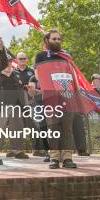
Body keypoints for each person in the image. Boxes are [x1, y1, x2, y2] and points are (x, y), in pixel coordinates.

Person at [31, 29, 77, 169]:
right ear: (47, 41)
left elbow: (73, 74)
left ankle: (68, 157)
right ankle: (55, 158)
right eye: (54, 39)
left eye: (59, 39)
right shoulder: (41, 56)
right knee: (53, 127)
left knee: (67, 127)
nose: (57, 41)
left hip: (67, 95)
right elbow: (38, 76)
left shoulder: (66, 56)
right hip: (50, 96)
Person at [14, 53, 46, 157]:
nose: (22, 60)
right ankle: (15, 150)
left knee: (33, 126)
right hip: (17, 103)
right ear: (17, 60)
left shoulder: (32, 71)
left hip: (31, 102)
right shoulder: (13, 72)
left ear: (27, 60)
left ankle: (37, 149)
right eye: (20, 58)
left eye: (24, 58)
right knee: (17, 127)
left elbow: (39, 87)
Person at [0, 65, 29, 159]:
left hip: (16, 106)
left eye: (9, 62)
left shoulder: (17, 75)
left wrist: (25, 105)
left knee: (17, 129)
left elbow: (22, 90)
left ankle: (17, 151)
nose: (8, 65)